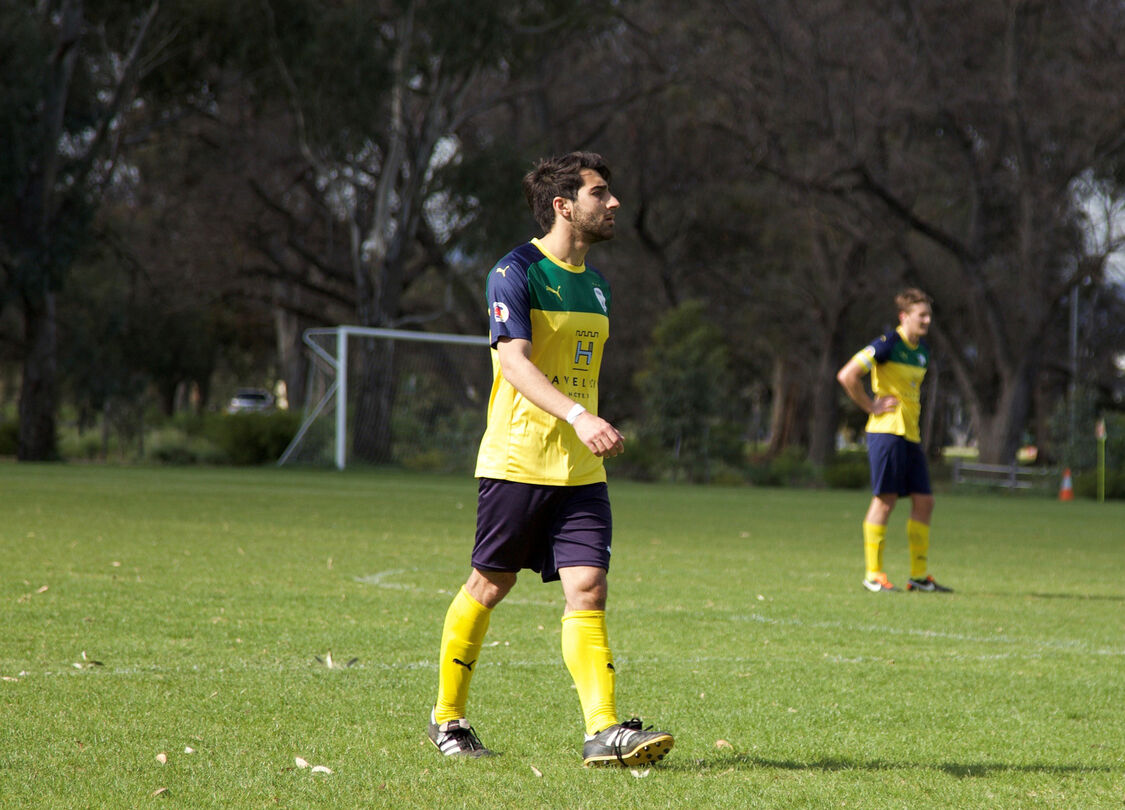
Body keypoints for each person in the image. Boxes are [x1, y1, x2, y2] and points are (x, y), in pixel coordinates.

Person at [427, 152, 675, 767]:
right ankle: (448, 720)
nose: (613, 203)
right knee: (490, 584)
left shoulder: (598, 286)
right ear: (564, 205)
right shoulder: (515, 271)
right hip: (518, 462)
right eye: (600, 192)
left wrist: (586, 423)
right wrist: (578, 416)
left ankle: (603, 730)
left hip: (582, 473)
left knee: (588, 589)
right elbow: (514, 362)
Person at [836, 288, 953, 594]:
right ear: (904, 317)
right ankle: (873, 575)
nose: (927, 320)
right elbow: (847, 375)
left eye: (929, 315)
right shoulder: (887, 344)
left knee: (925, 501)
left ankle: (918, 576)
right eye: (921, 315)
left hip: (911, 435)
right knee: (885, 500)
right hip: (887, 432)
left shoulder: (923, 352)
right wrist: (870, 406)